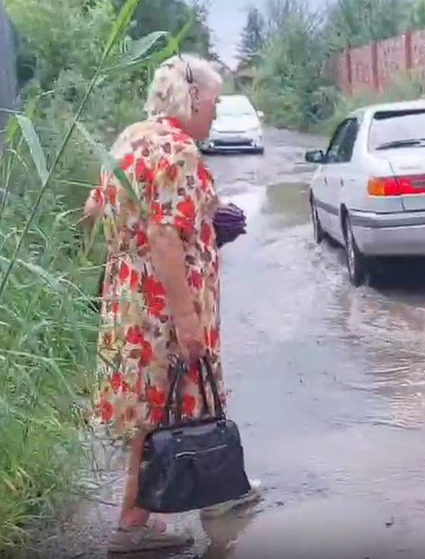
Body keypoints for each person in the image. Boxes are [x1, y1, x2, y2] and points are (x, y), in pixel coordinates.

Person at [82, 53, 261, 554]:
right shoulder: (179, 148)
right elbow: (163, 234)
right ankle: (132, 523)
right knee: (160, 406)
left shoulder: (132, 136)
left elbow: (94, 209)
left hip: (132, 296)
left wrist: (205, 225)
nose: (217, 111)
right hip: (163, 303)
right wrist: (186, 318)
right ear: (193, 97)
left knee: (159, 402)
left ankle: (219, 493)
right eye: (215, 101)